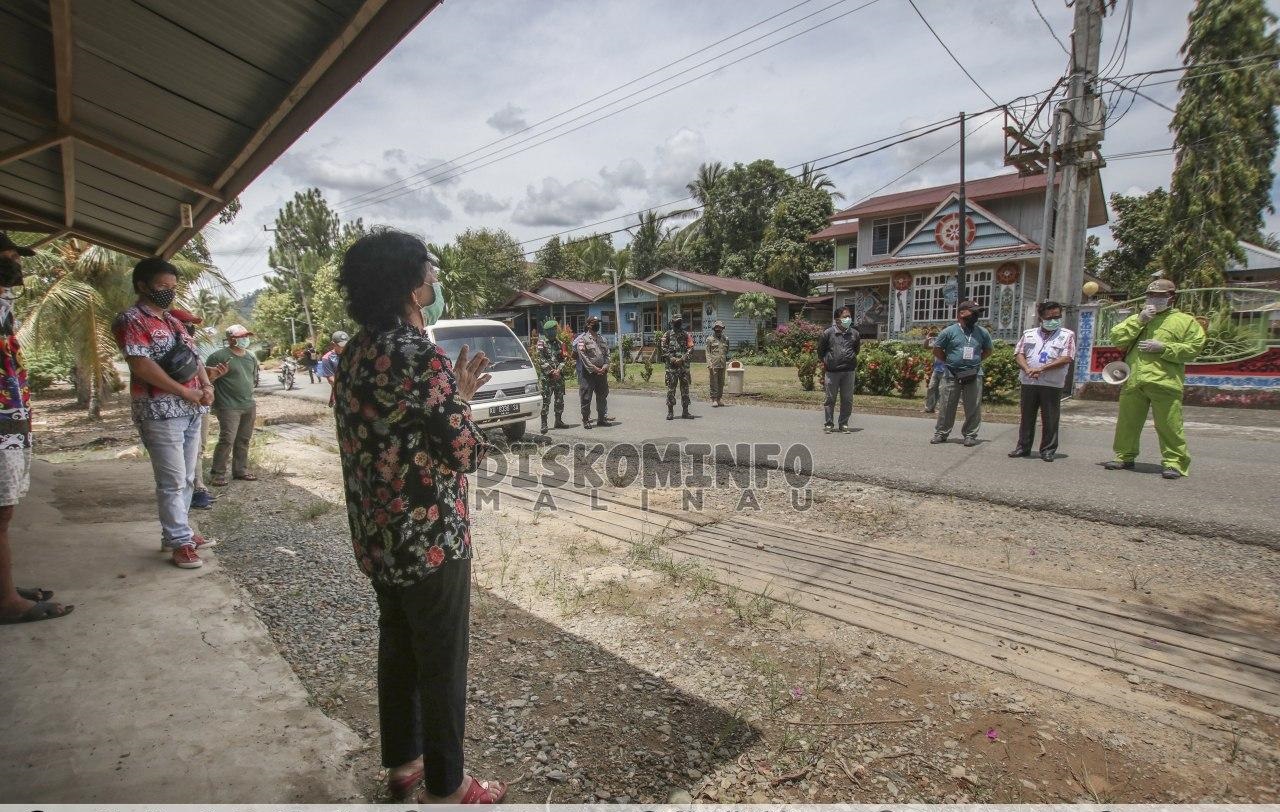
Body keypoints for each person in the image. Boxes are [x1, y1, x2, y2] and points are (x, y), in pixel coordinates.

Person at [332, 228, 505, 804]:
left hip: (379, 536)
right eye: (429, 269)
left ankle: (404, 767)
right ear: (411, 284)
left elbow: (400, 431)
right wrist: (458, 396)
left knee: (398, 649)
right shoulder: (416, 352)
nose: (434, 278)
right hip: (430, 537)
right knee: (442, 661)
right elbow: (464, 453)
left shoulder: (356, 351)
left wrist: (449, 396)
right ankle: (450, 787)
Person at [112, 257, 217, 569]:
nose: (169, 293)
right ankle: (180, 542)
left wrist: (207, 385)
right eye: (162, 287)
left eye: (173, 287)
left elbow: (193, 356)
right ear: (142, 286)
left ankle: (178, 532)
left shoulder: (172, 321)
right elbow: (140, 364)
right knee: (171, 479)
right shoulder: (132, 320)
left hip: (191, 409)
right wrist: (185, 391)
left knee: (186, 477)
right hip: (160, 411)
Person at [0, 232, 72, 623]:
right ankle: (5, 601)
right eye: (8, 258)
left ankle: (4, 587)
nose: (16, 265)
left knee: (4, 509)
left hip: (8, 418)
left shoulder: (4, 306)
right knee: (1, 512)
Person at [1104, 278, 1206, 479]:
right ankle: (1124, 456)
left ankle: (1175, 462)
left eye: (1160, 296)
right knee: (1127, 422)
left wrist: (1166, 348)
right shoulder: (1139, 318)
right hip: (1134, 379)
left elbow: (1194, 348)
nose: (1154, 299)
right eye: (1151, 295)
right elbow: (1117, 338)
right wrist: (1139, 320)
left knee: (1170, 424)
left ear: (1171, 297)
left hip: (1165, 381)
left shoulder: (1185, 322)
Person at [1011, 301, 1076, 461]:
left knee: (1050, 418)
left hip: (1051, 383)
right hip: (1029, 381)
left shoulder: (1066, 335)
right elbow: (1019, 353)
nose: (1054, 320)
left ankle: (1048, 450)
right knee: (1026, 417)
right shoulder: (1029, 334)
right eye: (1050, 317)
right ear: (1041, 318)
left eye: (1057, 316)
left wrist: (1042, 369)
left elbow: (1067, 357)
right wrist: (1027, 368)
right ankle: (1023, 447)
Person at [930, 300, 994, 447]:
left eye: (978, 313)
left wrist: (975, 362)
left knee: (973, 406)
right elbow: (937, 349)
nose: (976, 316)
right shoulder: (949, 332)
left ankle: (970, 435)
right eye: (974, 312)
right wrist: (950, 362)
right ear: (962, 313)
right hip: (952, 374)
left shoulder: (982, 333)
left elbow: (988, 350)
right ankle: (941, 433)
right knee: (946, 405)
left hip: (974, 373)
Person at [170, 308, 215, 510]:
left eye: (191, 325)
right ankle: (194, 492)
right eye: (186, 324)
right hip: (175, 411)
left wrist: (208, 383)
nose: (190, 329)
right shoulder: (168, 349)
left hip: (197, 409)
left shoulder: (190, 346)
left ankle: (197, 488)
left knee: (198, 450)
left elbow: (197, 375)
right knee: (181, 459)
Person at [205, 324, 261, 487]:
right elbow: (207, 379)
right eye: (241, 337)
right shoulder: (218, 356)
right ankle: (217, 474)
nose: (245, 340)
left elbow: (252, 379)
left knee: (243, 439)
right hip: (228, 405)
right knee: (227, 439)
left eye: (246, 336)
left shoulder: (250, 356)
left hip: (248, 404)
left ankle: (240, 470)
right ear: (230, 339)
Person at [817, 305, 860, 433]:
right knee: (830, 399)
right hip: (832, 372)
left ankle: (843, 424)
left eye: (849, 316)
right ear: (837, 319)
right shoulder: (828, 333)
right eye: (845, 317)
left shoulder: (855, 334)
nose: (848, 319)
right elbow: (821, 351)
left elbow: (856, 350)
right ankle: (829, 424)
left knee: (847, 399)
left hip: (848, 371)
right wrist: (827, 361)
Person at [575, 315, 611, 429]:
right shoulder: (582, 340)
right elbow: (583, 357)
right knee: (586, 397)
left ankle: (601, 419)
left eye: (598, 323)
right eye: (595, 323)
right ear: (589, 325)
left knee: (602, 396)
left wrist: (604, 367)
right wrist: (594, 368)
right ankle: (586, 420)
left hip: (602, 373)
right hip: (589, 374)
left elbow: (607, 355)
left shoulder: (603, 339)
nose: (597, 325)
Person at [533, 319, 569, 433]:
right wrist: (551, 371)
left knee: (559, 400)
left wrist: (558, 370)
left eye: (555, 330)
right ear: (547, 331)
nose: (554, 332)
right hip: (547, 378)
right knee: (545, 401)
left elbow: (564, 358)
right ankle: (544, 424)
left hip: (558, 378)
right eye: (551, 330)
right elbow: (540, 358)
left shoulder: (560, 343)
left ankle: (558, 421)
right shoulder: (541, 343)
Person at [660, 313, 694, 420]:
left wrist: (683, 358)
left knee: (685, 390)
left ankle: (685, 412)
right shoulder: (668, 335)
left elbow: (691, 348)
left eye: (679, 321)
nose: (678, 323)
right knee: (671, 390)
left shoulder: (686, 334)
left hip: (683, 367)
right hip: (672, 368)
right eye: (676, 321)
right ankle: (670, 412)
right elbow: (663, 348)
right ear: (672, 322)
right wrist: (673, 359)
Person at [317, 330, 349, 407]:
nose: (344, 347)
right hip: (340, 392)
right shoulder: (327, 358)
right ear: (333, 344)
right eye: (341, 345)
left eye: (346, 344)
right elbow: (331, 379)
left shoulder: (351, 354)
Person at [705, 320, 730, 407]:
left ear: (722, 328)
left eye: (720, 327)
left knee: (721, 382)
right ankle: (714, 399)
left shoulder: (725, 339)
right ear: (714, 328)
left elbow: (726, 351)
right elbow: (707, 352)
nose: (718, 329)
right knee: (714, 382)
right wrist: (709, 363)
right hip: (713, 364)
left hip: (722, 363)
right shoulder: (710, 339)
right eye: (716, 327)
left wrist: (724, 359)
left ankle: (719, 399)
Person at [922, 327, 943, 413]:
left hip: (946, 371)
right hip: (936, 369)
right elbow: (926, 347)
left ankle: (940, 409)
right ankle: (929, 408)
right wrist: (927, 339)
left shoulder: (949, 344)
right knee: (931, 388)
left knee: (941, 391)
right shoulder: (937, 343)